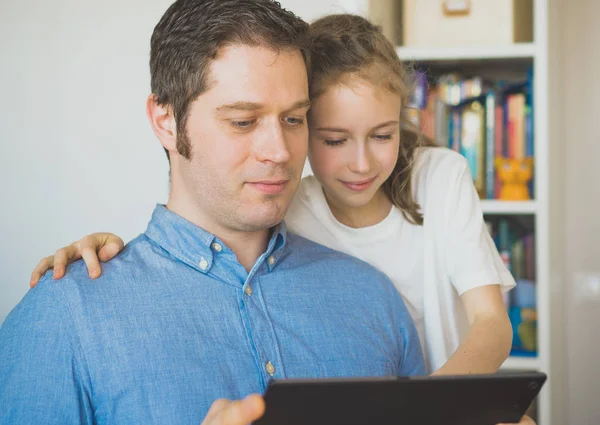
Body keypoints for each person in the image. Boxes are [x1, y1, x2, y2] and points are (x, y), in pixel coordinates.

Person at [15, 2, 535, 425]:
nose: (280, 151)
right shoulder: (68, 312)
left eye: (294, 119)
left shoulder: (378, 299)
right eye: (243, 121)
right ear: (165, 120)